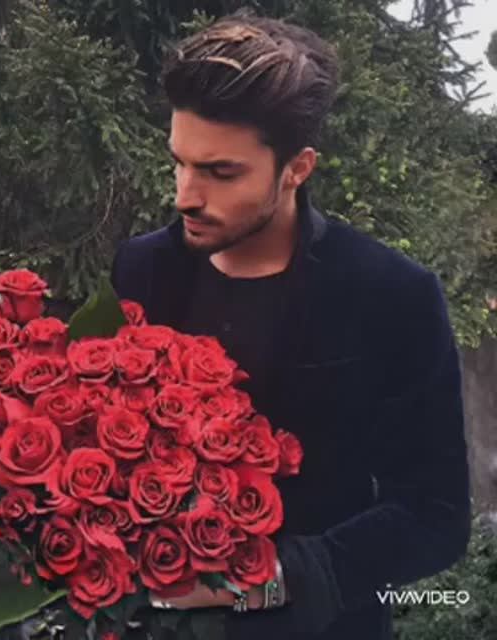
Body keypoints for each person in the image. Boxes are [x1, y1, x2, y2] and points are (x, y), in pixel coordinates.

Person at [110, 10, 471, 640]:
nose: (186, 194)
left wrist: (276, 580)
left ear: (297, 169)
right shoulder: (141, 269)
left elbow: (435, 516)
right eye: (180, 163)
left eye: (221, 172)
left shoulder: (392, 294)